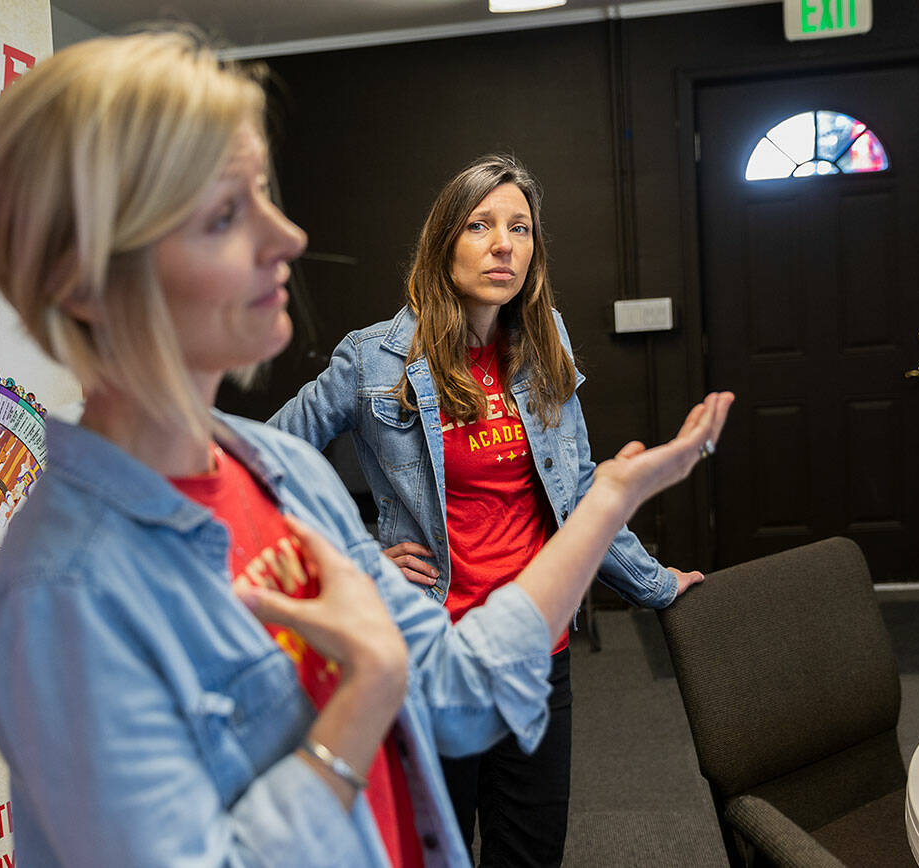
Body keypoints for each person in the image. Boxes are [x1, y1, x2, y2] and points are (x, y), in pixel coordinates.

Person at [0, 28, 732, 866]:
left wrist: (611, 499)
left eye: (263, 194)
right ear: (86, 277)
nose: (287, 236)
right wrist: (365, 692)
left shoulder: (281, 475)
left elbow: (457, 688)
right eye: (225, 213)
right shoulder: (65, 590)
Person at [269, 154, 704, 865]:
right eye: (480, 225)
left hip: (537, 648)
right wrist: (355, 559)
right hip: (431, 656)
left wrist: (658, 585)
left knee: (530, 852)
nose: (505, 244)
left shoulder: (545, 340)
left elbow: (580, 490)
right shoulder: (371, 360)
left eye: (521, 228)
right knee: (437, 852)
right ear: (444, 242)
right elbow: (263, 462)